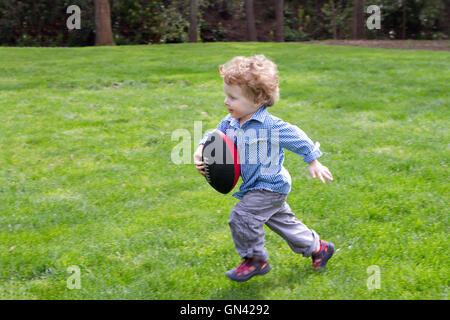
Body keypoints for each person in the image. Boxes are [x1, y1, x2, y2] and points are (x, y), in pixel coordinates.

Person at [193, 55, 335, 282]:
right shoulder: (229, 122)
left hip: (269, 186)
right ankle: (319, 248)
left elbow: (297, 137)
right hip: (253, 186)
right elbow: (213, 137)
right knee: (283, 223)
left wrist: (313, 160)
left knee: (242, 215)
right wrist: (200, 150)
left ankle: (255, 259)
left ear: (257, 100)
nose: (226, 102)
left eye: (232, 97)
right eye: (225, 95)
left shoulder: (270, 126)